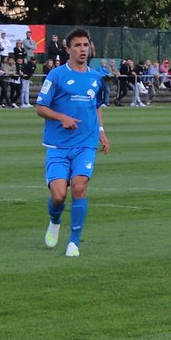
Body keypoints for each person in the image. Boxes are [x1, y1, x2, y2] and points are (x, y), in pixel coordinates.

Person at [36, 29, 109, 256]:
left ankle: (73, 242)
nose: (82, 49)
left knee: (79, 186)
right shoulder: (56, 75)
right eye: (77, 45)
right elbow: (40, 107)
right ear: (68, 49)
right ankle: (55, 220)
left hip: (85, 143)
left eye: (85, 45)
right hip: (58, 145)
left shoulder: (97, 77)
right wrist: (62, 118)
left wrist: (101, 131)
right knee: (58, 196)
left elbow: (96, 106)